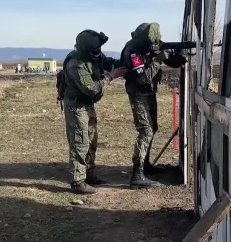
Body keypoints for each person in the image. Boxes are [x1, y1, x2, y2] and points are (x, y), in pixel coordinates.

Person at [120, 22, 187, 188]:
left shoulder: (148, 48)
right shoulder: (133, 51)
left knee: (153, 128)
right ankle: (137, 175)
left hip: (149, 93)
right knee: (146, 131)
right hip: (138, 94)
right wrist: (158, 59)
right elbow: (143, 78)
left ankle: (146, 165)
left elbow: (173, 63)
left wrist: (176, 55)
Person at [62, 29, 128, 194]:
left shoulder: (93, 56)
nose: (99, 54)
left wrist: (126, 63)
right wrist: (111, 77)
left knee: (91, 140)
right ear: (87, 50)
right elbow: (91, 89)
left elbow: (106, 62)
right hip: (76, 106)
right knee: (80, 141)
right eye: (96, 51)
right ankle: (77, 182)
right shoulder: (76, 63)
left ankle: (89, 175)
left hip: (87, 105)